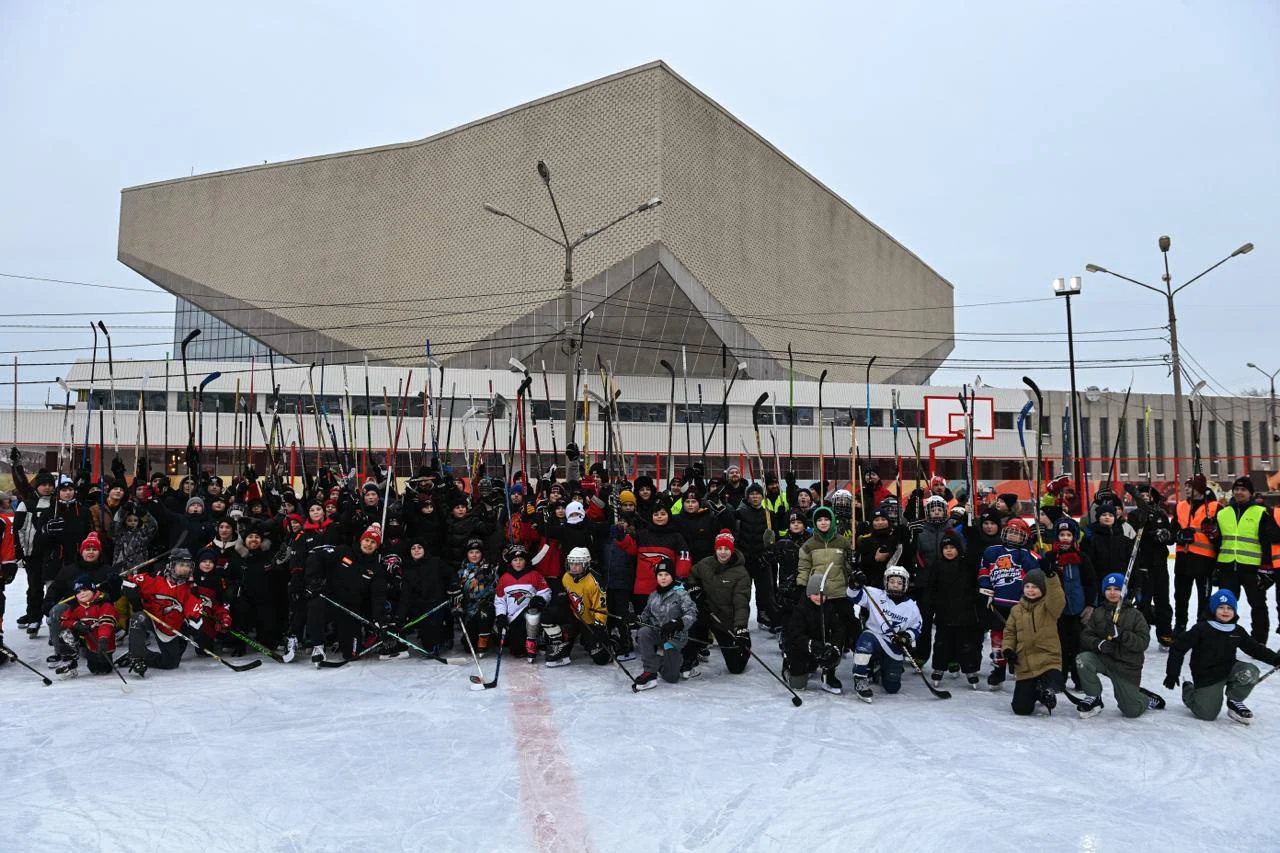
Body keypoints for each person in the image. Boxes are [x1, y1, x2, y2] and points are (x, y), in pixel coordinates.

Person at [1165, 588, 1280, 725]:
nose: (1225, 611)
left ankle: (1234, 701)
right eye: (1221, 607)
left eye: (1229, 608)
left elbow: (1255, 649)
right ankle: (1189, 691)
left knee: (1250, 671)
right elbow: (1178, 648)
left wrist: (1275, 659)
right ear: (1213, 609)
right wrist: (1172, 673)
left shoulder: (1237, 630)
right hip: (1207, 675)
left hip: (1229, 669)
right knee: (1207, 714)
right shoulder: (1201, 628)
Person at [303, 525, 389, 664]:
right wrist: (314, 580)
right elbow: (316, 556)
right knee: (315, 605)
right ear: (361, 540)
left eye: (373, 542)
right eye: (367, 540)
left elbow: (378, 596)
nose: (369, 544)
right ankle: (318, 646)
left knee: (352, 655)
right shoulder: (343, 551)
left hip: (350, 609)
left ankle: (347, 644)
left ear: (377, 546)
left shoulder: (376, 568)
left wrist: (379, 619)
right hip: (330, 599)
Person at [1075, 573, 1157, 719]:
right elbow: (1086, 636)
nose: (1112, 592)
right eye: (1109, 589)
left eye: (1117, 589)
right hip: (1105, 660)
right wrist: (1099, 644)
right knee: (1083, 659)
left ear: (1124, 591)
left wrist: (1122, 634)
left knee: (1131, 711)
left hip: (1126, 667)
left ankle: (1143, 697)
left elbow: (1143, 642)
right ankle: (1094, 698)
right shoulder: (1098, 612)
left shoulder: (1135, 615)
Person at [119, 548, 206, 677]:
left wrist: (195, 623)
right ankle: (136, 657)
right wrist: (131, 592)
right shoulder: (155, 578)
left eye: (188, 566)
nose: (185, 569)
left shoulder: (191, 588)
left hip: (168, 626)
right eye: (181, 565)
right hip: (150, 618)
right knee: (138, 618)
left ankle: (143, 654)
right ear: (171, 565)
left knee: (171, 662)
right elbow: (128, 581)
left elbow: (194, 609)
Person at [1211, 476, 1277, 643]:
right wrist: (1211, 532)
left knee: (1258, 606)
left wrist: (1266, 570)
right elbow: (1218, 542)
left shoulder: (1261, 512)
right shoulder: (1223, 513)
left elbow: (1267, 543)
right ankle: (1225, 638)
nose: (1239, 492)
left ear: (1251, 493)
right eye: (1237, 489)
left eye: (1243, 490)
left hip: (1252, 568)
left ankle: (1259, 640)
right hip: (1227, 567)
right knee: (1225, 606)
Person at [978, 516, 1039, 688]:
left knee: (1019, 637)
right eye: (1010, 532)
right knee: (997, 636)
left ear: (1025, 537)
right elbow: (984, 570)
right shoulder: (992, 551)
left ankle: (1016, 664)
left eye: (1017, 534)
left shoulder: (1028, 555)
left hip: (1019, 605)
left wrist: (1028, 554)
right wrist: (985, 586)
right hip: (997, 603)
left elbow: (1035, 574)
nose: (1013, 536)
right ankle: (999, 669)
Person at [846, 565, 921, 702]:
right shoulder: (875, 594)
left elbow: (916, 627)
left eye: (899, 583)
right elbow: (853, 597)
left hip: (893, 645)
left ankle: (879, 669)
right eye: (892, 582)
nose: (895, 585)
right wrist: (854, 585)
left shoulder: (911, 606)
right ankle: (860, 678)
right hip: (874, 636)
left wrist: (906, 637)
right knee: (865, 641)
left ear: (905, 585)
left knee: (892, 688)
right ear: (886, 582)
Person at [684, 529, 752, 677]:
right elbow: (692, 575)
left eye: (726, 549)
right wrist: (695, 589)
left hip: (724, 621)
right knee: (694, 628)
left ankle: (744, 645)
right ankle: (688, 660)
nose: (722, 552)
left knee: (736, 668)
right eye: (719, 548)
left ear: (732, 550)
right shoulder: (705, 563)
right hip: (706, 613)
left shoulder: (741, 573)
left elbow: (741, 603)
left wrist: (741, 628)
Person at [1039, 517, 1095, 689]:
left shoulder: (1082, 557)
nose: (1064, 538)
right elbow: (1042, 583)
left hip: (1077, 610)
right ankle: (1059, 679)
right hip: (1058, 612)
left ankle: (1079, 679)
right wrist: (1045, 567)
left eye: (1068, 534)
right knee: (1060, 647)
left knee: (1078, 646)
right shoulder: (1050, 556)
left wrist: (1090, 605)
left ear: (1074, 537)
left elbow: (1091, 582)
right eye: (1062, 534)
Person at [1002, 567, 1065, 715]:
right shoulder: (1016, 610)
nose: (1030, 590)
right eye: (1027, 586)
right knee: (1020, 709)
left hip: (1048, 660)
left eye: (1035, 587)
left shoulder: (1049, 608)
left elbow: (1057, 598)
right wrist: (1008, 650)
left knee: (1054, 682)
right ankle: (1037, 692)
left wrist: (1051, 577)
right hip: (1025, 664)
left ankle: (1047, 690)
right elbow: (1009, 633)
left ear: (1043, 589)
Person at [926, 529, 982, 689]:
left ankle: (970, 670)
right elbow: (931, 588)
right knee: (942, 644)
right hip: (944, 614)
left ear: (959, 548)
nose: (949, 551)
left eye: (952, 547)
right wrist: (930, 606)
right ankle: (938, 669)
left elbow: (975, 550)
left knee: (967, 645)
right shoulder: (937, 565)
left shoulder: (967, 564)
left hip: (965, 614)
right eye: (945, 548)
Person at [634, 558, 697, 689]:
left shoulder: (681, 594)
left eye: (667, 575)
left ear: (672, 576)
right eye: (660, 575)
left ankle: (669, 661)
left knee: (671, 678)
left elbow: (692, 613)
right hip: (658, 633)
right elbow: (645, 617)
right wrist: (634, 619)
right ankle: (650, 672)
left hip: (674, 637)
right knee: (643, 632)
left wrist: (678, 623)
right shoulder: (653, 595)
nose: (663, 578)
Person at [543, 547, 610, 667]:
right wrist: (561, 598)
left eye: (577, 564)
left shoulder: (594, 582)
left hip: (589, 622)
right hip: (573, 617)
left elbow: (601, 608)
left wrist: (598, 626)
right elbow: (563, 596)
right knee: (548, 613)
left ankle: (604, 640)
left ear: (586, 564)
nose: (573, 567)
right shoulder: (566, 577)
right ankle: (560, 644)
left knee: (601, 659)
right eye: (571, 563)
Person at [1171, 473, 1219, 632]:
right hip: (1183, 558)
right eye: (1186, 485)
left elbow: (1220, 537)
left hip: (1204, 560)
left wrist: (1213, 532)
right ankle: (1180, 625)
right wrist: (1179, 535)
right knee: (1181, 596)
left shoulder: (1214, 507)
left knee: (1204, 598)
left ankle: (1202, 627)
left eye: (1190, 486)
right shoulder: (1180, 506)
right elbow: (1173, 532)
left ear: (1199, 488)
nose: (1186, 488)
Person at [783, 573, 845, 694]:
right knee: (798, 685)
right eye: (816, 594)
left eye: (823, 595)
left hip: (822, 646)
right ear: (809, 593)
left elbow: (839, 629)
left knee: (833, 652)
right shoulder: (800, 609)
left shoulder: (829, 608)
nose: (820, 598)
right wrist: (811, 645)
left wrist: (834, 646)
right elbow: (796, 634)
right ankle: (788, 666)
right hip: (802, 648)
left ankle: (828, 676)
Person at [51, 576, 119, 679]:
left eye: (85, 590)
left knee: (100, 669)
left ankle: (103, 660)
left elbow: (106, 624)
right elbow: (64, 620)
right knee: (66, 633)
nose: (82, 593)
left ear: (93, 589)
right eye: (78, 592)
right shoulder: (77, 607)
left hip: (104, 644)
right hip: (88, 643)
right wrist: (76, 625)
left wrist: (103, 639)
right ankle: (69, 663)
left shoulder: (104, 604)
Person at [492, 543, 552, 660]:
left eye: (521, 559)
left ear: (526, 561)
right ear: (510, 562)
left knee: (534, 615)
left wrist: (540, 599)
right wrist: (501, 616)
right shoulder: (504, 578)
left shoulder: (535, 575)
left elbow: (545, 591)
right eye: (515, 560)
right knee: (517, 651)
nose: (518, 562)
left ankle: (536, 638)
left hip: (530, 615)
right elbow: (500, 601)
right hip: (513, 618)